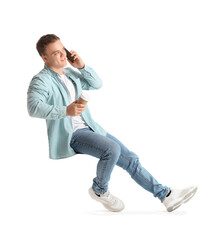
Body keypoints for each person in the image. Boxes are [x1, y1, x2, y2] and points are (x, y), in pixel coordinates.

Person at [27, 34, 197, 212]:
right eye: (56, 53)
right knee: (112, 149)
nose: (63, 55)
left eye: (63, 49)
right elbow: (33, 108)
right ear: (44, 57)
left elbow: (97, 84)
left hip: (91, 128)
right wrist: (65, 111)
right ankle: (99, 190)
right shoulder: (41, 80)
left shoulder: (69, 73)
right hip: (72, 134)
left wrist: (82, 67)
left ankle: (166, 195)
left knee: (130, 159)